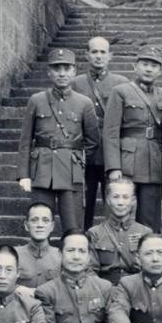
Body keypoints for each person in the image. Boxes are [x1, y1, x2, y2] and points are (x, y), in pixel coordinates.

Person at [16, 48, 100, 231]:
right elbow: (25, 140)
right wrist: (24, 174)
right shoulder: (36, 100)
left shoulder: (84, 103)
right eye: (56, 68)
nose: (62, 73)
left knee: (73, 227)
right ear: (49, 72)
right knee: (39, 224)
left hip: (71, 174)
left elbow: (93, 141)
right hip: (42, 172)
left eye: (66, 68)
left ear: (74, 71)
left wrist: (77, 161)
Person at [102, 45, 162, 232]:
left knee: (150, 218)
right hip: (126, 163)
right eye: (145, 64)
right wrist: (113, 167)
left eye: (154, 66)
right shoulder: (121, 91)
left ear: (160, 71)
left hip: (153, 163)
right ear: (135, 66)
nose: (149, 69)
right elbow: (110, 131)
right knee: (119, 212)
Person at [72, 37, 130, 229]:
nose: (98, 56)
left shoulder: (121, 83)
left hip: (110, 156)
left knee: (113, 205)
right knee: (83, 205)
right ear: (86, 55)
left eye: (103, 52)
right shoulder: (76, 83)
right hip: (85, 154)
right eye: (94, 52)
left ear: (110, 56)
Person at [87, 178, 152, 284]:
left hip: (136, 288)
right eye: (116, 197)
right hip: (106, 288)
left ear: (133, 201)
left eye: (125, 197)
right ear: (108, 200)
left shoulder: (145, 233)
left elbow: (151, 270)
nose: (120, 202)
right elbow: (90, 272)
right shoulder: (95, 233)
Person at [14, 202, 62, 297]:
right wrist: (16, 289)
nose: (40, 225)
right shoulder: (14, 255)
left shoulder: (61, 256)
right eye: (34, 220)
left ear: (52, 226)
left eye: (45, 220)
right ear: (26, 225)